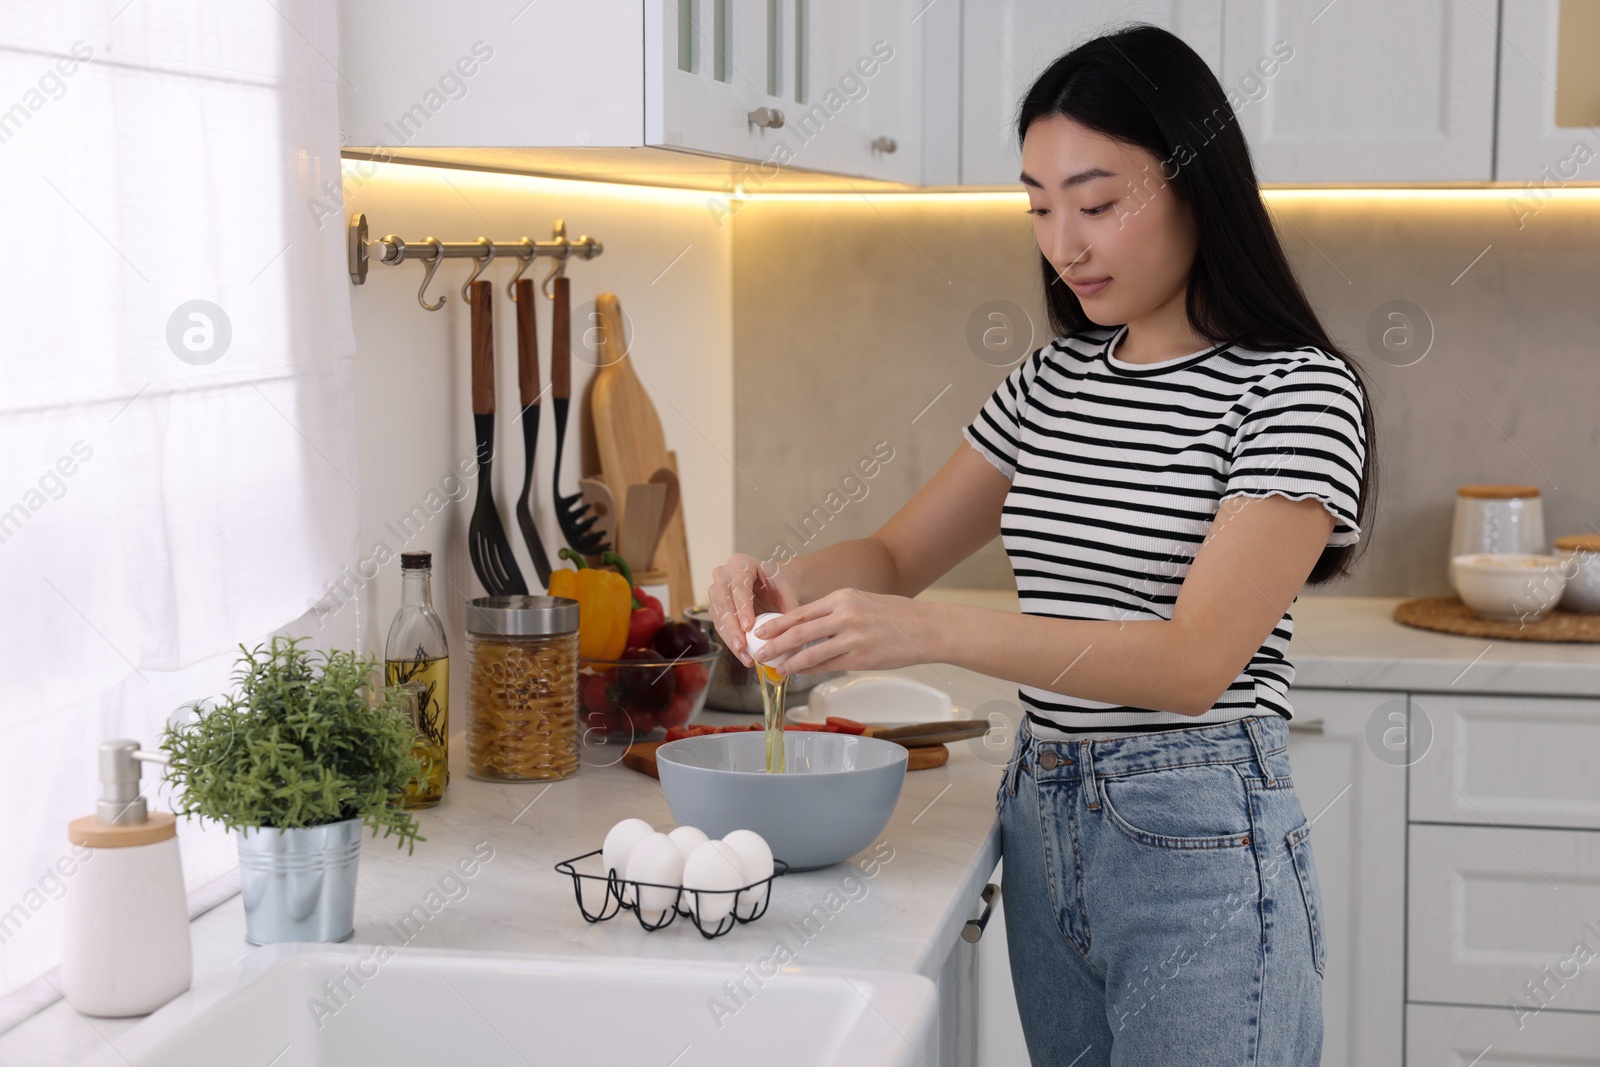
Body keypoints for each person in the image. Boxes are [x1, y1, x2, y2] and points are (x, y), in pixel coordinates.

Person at [706, 22, 1375, 1067]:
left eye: (1099, 203)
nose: (1063, 243)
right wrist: (776, 579)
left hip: (1195, 835)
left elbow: (1194, 660)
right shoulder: (1052, 384)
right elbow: (890, 557)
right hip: (1045, 815)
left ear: (1198, 184)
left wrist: (930, 631)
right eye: (1038, 204)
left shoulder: (1292, 390)